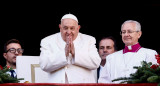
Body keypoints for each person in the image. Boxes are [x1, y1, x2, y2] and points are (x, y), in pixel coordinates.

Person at [39, 13, 101, 83]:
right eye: (65, 28)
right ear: (60, 27)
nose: (69, 32)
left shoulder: (89, 40)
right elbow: (44, 65)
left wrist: (75, 53)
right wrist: (64, 54)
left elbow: (96, 63)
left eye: (72, 28)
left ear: (78, 28)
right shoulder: (47, 41)